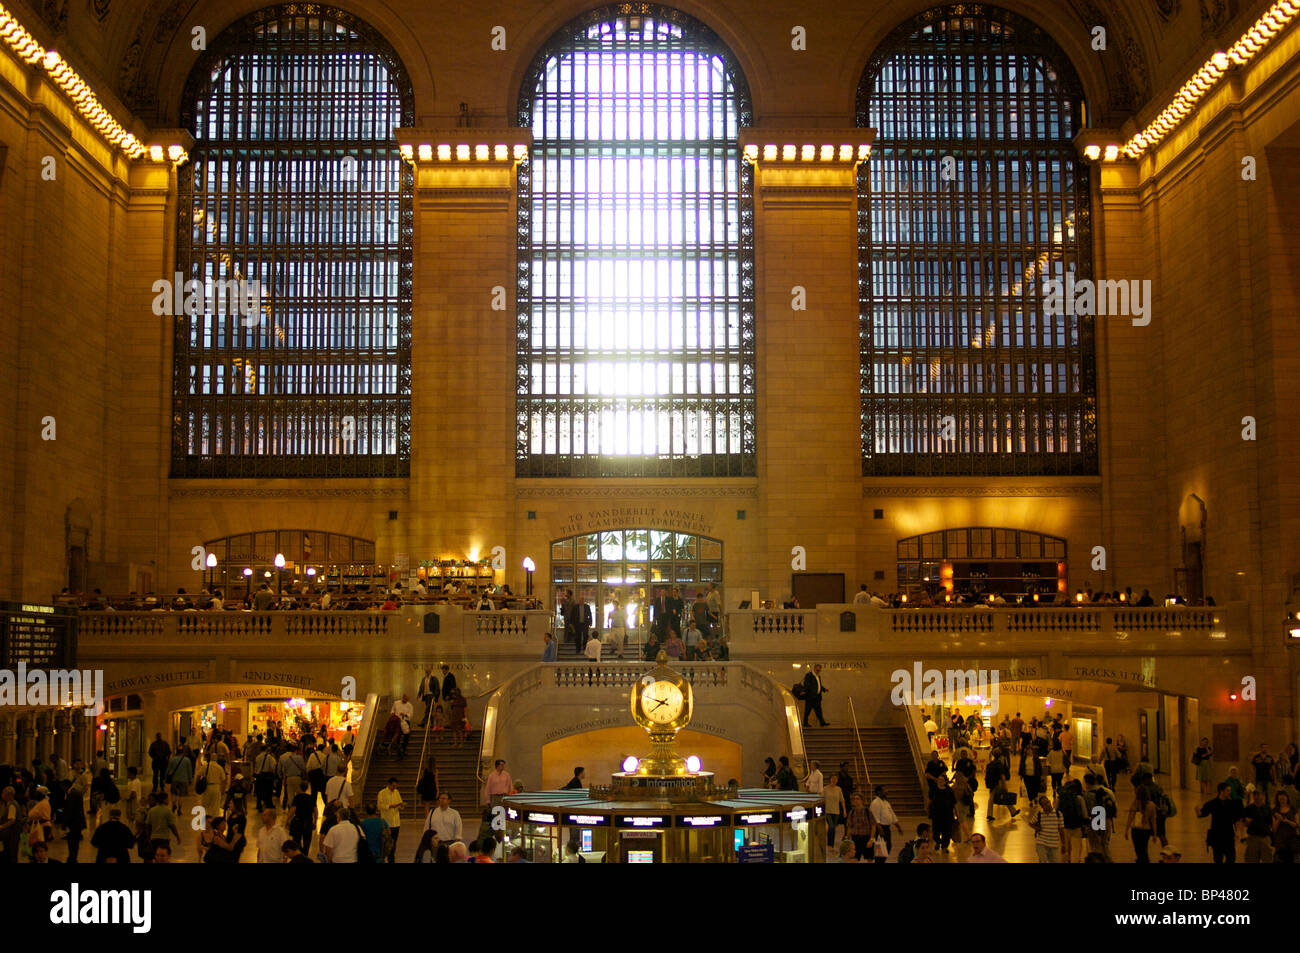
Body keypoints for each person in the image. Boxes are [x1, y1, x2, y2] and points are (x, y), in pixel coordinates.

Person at [1197, 782, 1244, 863]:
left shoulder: (1232, 804)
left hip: (1228, 835)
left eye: (1230, 790)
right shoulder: (1213, 803)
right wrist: (1197, 810)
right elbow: (1202, 814)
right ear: (1221, 791)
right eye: (1228, 790)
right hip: (1216, 836)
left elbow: (1236, 819)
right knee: (1218, 858)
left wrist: (1237, 832)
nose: (1230, 792)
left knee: (1231, 857)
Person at [869, 785, 904, 857]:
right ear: (879, 792)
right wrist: (880, 830)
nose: (886, 792)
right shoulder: (875, 803)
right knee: (881, 849)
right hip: (880, 829)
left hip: (887, 828)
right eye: (884, 790)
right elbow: (875, 818)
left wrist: (898, 827)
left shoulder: (886, 802)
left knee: (887, 847)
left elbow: (893, 815)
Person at [1242, 789, 1274, 863]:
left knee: (1267, 859)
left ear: (1263, 796)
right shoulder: (1248, 808)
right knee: (1251, 860)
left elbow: (1270, 822)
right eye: (1255, 795)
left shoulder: (1267, 808)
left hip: (1265, 837)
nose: (1258, 797)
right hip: (1253, 837)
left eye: (1259, 794)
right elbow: (1244, 824)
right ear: (1253, 796)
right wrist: (1248, 821)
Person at [928, 774, 958, 852]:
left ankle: (944, 846)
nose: (940, 781)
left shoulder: (949, 790)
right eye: (939, 780)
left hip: (947, 815)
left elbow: (954, 803)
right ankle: (938, 841)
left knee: (946, 831)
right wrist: (927, 809)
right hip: (936, 814)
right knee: (936, 830)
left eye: (942, 780)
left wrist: (957, 813)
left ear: (945, 781)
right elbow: (929, 800)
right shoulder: (933, 789)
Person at [1029, 794, 1062, 863]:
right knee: (1043, 861)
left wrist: (1064, 843)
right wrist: (1037, 828)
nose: (1048, 805)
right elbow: (1031, 823)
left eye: (1048, 802)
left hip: (1054, 844)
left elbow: (1061, 829)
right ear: (1042, 806)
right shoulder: (1039, 814)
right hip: (1041, 842)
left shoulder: (1058, 814)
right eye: (1045, 804)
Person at [844, 792, 875, 860]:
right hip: (856, 839)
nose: (855, 800)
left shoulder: (867, 811)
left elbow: (873, 826)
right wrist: (847, 840)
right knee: (854, 859)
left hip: (866, 838)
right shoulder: (851, 812)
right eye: (854, 799)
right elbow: (849, 827)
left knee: (869, 858)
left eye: (857, 799)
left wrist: (871, 839)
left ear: (862, 800)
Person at [1271, 791, 1299, 863]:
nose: (1282, 801)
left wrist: (1287, 821)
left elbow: (1296, 824)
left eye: (1283, 798)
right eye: (1280, 799)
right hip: (1280, 841)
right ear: (1278, 800)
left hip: (1292, 840)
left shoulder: (1293, 809)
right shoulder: (1275, 810)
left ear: (1287, 798)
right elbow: (1274, 829)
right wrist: (1278, 820)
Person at [823, 773, 845, 848]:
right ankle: (829, 843)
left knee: (833, 828)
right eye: (833, 778)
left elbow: (842, 800)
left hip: (836, 811)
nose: (834, 780)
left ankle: (831, 843)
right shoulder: (825, 789)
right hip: (827, 811)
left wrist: (844, 810)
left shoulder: (839, 789)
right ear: (830, 779)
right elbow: (822, 799)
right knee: (831, 826)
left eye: (835, 779)